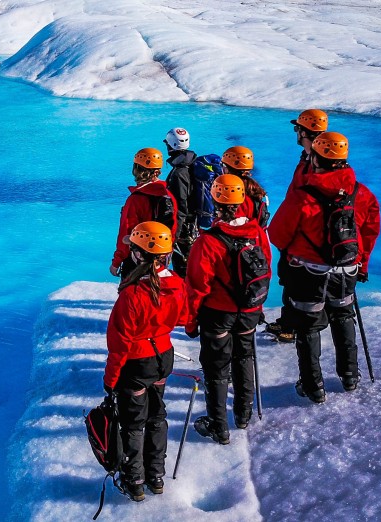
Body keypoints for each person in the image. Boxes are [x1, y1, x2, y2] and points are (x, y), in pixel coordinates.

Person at [268, 131, 380, 403]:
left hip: (307, 273)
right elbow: (369, 231)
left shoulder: (303, 196)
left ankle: (313, 386)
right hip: (347, 270)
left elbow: (277, 235)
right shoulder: (361, 193)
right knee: (343, 318)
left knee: (308, 327)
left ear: (316, 159)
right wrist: (361, 264)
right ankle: (350, 376)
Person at [103, 221, 187, 501]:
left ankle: (135, 482)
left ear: (138, 255)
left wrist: (110, 380)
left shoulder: (131, 294)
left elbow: (119, 345)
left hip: (137, 363)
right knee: (157, 415)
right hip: (164, 357)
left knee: (134, 423)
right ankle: (157, 477)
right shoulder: (176, 283)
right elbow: (184, 317)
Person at [185, 175, 272, 444]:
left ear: (215, 203)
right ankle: (243, 415)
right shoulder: (257, 232)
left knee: (216, 369)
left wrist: (191, 322)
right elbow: (265, 265)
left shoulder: (207, 242)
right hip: (249, 310)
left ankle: (218, 426)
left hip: (217, 314)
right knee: (244, 358)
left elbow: (196, 287)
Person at [266, 109, 330, 343]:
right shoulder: (309, 158)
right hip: (300, 232)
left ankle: (293, 326)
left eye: (297, 128)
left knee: (295, 281)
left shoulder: (316, 162)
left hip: (303, 236)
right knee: (290, 280)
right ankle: (289, 322)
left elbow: (306, 202)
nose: (295, 132)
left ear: (304, 131)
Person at [110, 148, 180, 281]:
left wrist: (116, 262)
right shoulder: (168, 194)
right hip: (160, 257)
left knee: (132, 296)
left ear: (136, 169)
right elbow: (173, 227)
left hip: (137, 259)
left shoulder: (135, 199)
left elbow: (126, 231)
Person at [163, 127, 197, 278]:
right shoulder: (193, 163)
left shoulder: (179, 173)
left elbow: (181, 207)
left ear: (171, 146)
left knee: (183, 272)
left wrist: (173, 236)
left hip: (185, 231)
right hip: (194, 227)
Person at [220, 145, 270, 227]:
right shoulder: (254, 187)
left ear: (228, 168)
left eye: (223, 165)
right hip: (255, 235)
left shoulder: (232, 193)